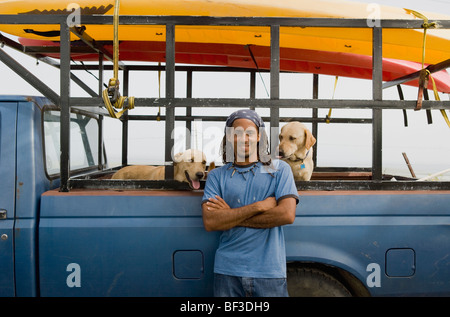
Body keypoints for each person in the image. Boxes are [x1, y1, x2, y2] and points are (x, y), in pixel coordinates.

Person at [201, 109, 299, 297]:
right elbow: (211, 222)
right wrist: (258, 207)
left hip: (269, 272)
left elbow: (286, 214)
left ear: (259, 136)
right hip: (227, 271)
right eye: (237, 133)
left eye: (250, 133)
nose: (244, 138)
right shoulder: (216, 176)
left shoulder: (278, 169)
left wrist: (231, 215)